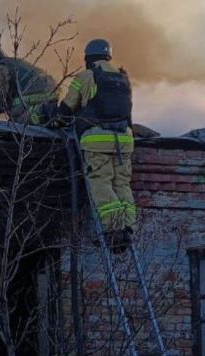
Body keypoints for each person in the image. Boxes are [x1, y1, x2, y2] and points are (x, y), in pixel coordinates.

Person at [58, 39, 135, 251]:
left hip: (97, 139)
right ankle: (127, 228)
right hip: (125, 140)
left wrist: (57, 120)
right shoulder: (123, 79)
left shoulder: (85, 77)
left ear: (88, 58)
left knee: (101, 182)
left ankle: (114, 232)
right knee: (122, 183)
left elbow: (67, 107)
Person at [0, 49, 59, 125]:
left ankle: (42, 112)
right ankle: (46, 114)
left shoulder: (1, 68)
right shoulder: (14, 63)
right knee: (29, 121)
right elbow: (1, 103)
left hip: (31, 91)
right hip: (50, 91)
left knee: (17, 123)